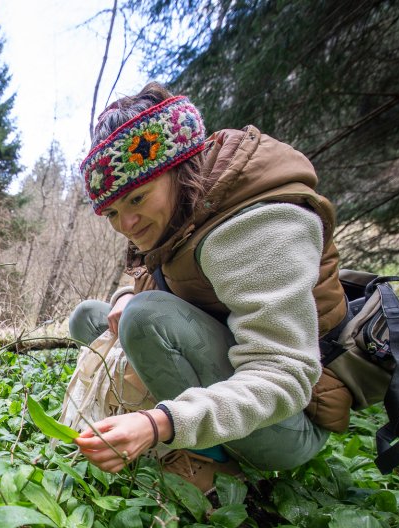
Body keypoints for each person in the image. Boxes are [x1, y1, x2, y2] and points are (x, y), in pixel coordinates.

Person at [69, 82, 352, 493]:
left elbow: (285, 376)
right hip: (228, 372)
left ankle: (211, 461)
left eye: (137, 199)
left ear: (180, 168)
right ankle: (171, 405)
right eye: (112, 211)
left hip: (287, 422)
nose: (126, 225)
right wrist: (126, 295)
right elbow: (159, 277)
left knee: (145, 318)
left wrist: (160, 423)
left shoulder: (257, 224)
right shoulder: (184, 210)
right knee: (89, 318)